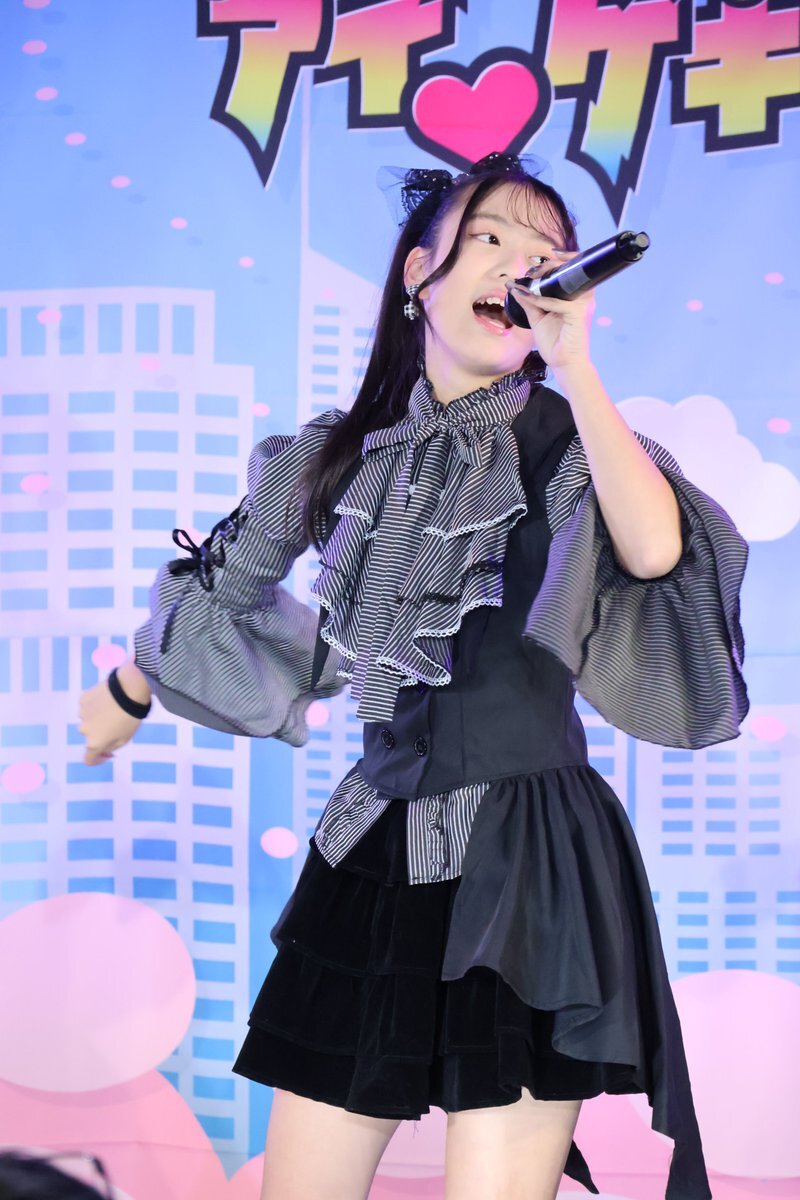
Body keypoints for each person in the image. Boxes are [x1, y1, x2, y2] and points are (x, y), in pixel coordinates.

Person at [79, 152, 749, 1200]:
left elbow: (655, 549)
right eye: (491, 238)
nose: (521, 263)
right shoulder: (336, 456)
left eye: (545, 253)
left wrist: (577, 368)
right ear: (418, 274)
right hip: (371, 848)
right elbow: (226, 580)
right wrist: (128, 690)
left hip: (528, 854)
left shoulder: (568, 438)